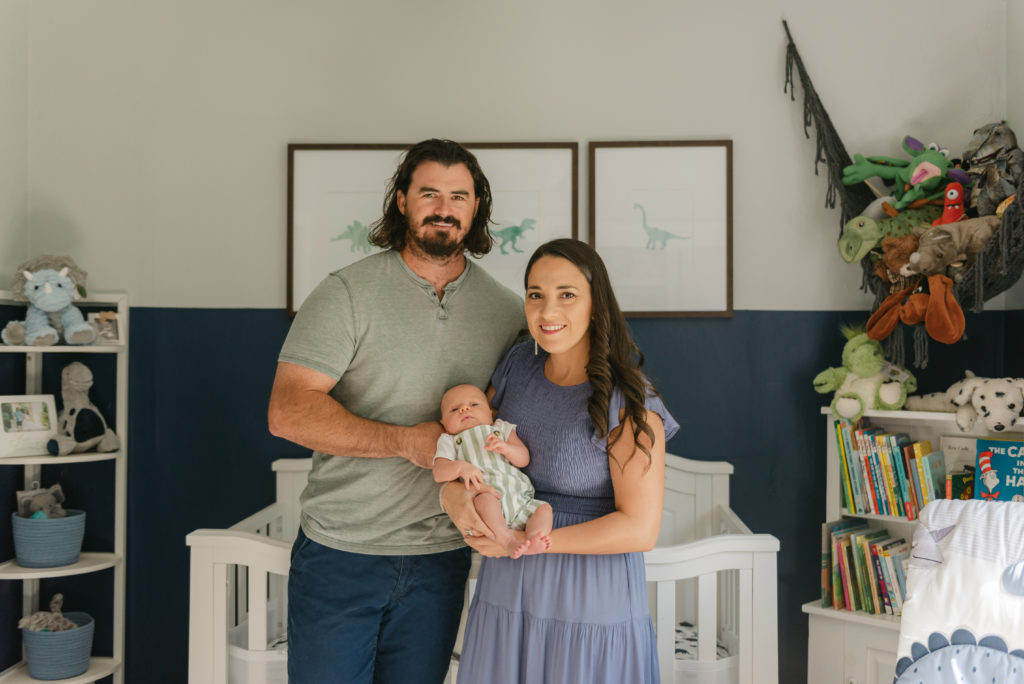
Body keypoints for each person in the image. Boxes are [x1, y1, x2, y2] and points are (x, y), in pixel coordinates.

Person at [267, 139, 525, 684]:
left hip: (441, 558)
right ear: (403, 200)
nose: (444, 206)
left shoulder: (507, 312)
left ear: (476, 206)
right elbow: (287, 412)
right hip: (342, 552)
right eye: (429, 192)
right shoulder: (347, 294)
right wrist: (405, 441)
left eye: (459, 195)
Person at [442, 238, 680, 683]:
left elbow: (640, 528)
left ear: (596, 305)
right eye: (536, 295)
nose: (547, 312)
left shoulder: (628, 399)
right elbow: (466, 444)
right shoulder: (517, 367)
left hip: (588, 600)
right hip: (508, 592)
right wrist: (453, 495)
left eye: (567, 295)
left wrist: (530, 540)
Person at [433, 383, 553, 559]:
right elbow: (439, 473)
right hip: (488, 498)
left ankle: (535, 537)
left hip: (520, 498)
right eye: (454, 409)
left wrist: (507, 449)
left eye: (474, 405)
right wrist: (459, 467)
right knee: (485, 501)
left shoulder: (501, 428)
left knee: (543, 508)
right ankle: (507, 541)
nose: (465, 409)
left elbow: (524, 458)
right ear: (443, 423)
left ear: (490, 412)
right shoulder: (449, 440)